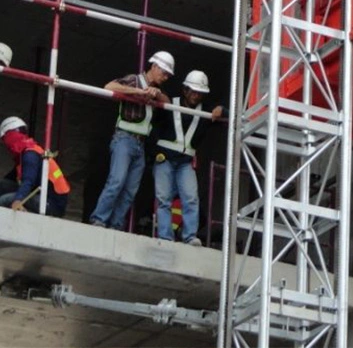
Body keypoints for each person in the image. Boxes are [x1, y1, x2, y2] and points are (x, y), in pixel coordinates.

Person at [90, 50, 174, 229]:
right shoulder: (134, 80)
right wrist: (137, 92)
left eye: (168, 74)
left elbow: (168, 103)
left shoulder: (157, 91)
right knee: (116, 181)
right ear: (154, 66)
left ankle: (116, 224)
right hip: (124, 139)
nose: (165, 77)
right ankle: (99, 219)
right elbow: (109, 87)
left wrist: (156, 94)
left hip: (140, 144)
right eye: (164, 72)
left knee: (130, 190)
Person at [151, 69, 224, 246]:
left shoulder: (206, 112)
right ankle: (165, 237)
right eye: (193, 91)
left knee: (191, 198)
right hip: (164, 159)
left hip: (185, 163)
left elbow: (230, 113)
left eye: (200, 93)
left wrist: (221, 109)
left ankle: (190, 236)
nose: (196, 96)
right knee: (163, 199)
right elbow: (151, 118)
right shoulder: (170, 104)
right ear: (185, 90)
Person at [0, 116, 70, 216]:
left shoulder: (30, 155)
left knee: (4, 200)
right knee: (2, 185)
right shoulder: (25, 154)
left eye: (4, 139)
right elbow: (9, 180)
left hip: (51, 204)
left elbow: (28, 181)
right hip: (42, 196)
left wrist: (18, 200)